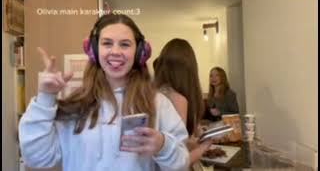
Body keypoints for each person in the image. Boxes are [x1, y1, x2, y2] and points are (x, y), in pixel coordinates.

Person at [18, 14, 189, 171]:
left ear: (139, 53)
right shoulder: (76, 105)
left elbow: (182, 162)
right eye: (107, 43)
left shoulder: (158, 103)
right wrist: (45, 98)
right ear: (94, 50)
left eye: (125, 44)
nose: (115, 51)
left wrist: (163, 145)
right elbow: (37, 158)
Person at [153, 38, 214, 168]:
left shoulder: (155, 94)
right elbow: (177, 161)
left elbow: (171, 145)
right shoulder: (178, 99)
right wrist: (204, 146)